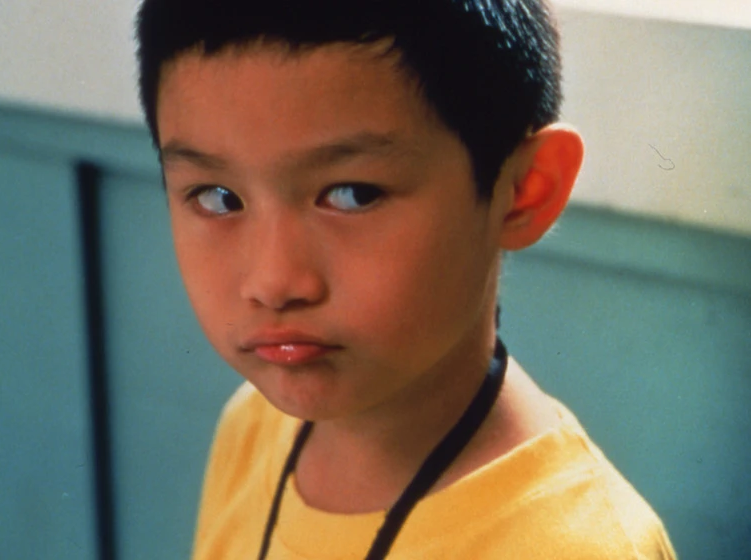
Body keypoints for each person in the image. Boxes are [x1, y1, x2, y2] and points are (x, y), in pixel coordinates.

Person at [134, 0, 676, 558]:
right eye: (218, 198)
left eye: (353, 195)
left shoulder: (580, 547)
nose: (273, 283)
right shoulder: (253, 427)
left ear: (524, 190)